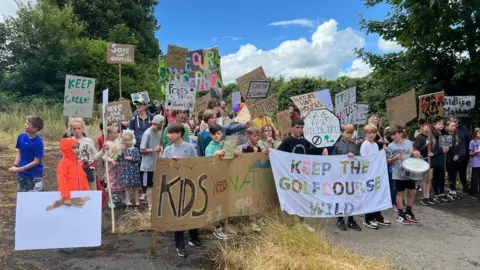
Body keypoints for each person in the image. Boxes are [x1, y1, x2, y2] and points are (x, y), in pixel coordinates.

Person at [162, 124, 202, 257]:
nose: (167, 135)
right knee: (178, 214)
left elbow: (196, 163)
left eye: (170, 133)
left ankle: (194, 238)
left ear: (178, 134)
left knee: (191, 211)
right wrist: (171, 163)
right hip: (175, 185)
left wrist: (183, 163)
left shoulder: (189, 147)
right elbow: (163, 166)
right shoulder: (168, 149)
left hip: (189, 184)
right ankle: (180, 245)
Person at [276, 118, 317, 232]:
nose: (300, 130)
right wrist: (269, 151)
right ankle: (290, 223)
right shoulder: (287, 141)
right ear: (292, 128)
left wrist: (322, 151)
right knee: (291, 199)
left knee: (302, 199)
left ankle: (301, 221)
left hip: (302, 176)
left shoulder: (304, 141)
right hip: (290, 176)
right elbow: (278, 154)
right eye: (297, 127)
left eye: (302, 128)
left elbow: (309, 155)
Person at [56, 137, 91, 254]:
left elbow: (83, 179)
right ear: (66, 149)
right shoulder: (63, 164)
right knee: (67, 221)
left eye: (77, 147)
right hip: (69, 199)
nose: (76, 150)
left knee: (80, 220)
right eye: (73, 148)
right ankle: (65, 243)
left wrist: (87, 193)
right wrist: (66, 197)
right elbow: (62, 182)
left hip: (79, 197)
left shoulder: (77, 163)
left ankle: (83, 241)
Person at [387, 125, 421, 225]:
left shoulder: (408, 143)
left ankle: (408, 211)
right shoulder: (391, 146)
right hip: (398, 172)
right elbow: (387, 161)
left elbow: (412, 154)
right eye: (391, 135)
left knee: (412, 192)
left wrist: (416, 154)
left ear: (401, 133)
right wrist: (395, 158)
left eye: (394, 134)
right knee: (400, 193)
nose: (392, 136)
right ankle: (400, 214)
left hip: (409, 172)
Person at [360, 124, 391, 229]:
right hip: (369, 174)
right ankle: (368, 218)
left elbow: (377, 158)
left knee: (377, 194)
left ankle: (377, 216)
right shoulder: (365, 145)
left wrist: (383, 152)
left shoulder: (374, 144)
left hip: (376, 173)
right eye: (369, 133)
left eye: (373, 133)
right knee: (370, 196)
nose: (371, 135)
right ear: (365, 134)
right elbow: (366, 160)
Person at [332, 124, 362, 231]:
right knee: (340, 197)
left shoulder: (355, 146)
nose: (349, 135)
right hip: (340, 176)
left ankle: (351, 219)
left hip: (351, 176)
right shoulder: (337, 145)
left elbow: (360, 160)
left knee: (351, 197)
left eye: (351, 133)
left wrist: (354, 157)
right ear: (342, 133)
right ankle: (340, 219)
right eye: (347, 132)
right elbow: (332, 161)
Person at [9, 116, 45, 192]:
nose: (25, 124)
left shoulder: (38, 143)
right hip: (22, 174)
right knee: (23, 198)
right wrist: (15, 165)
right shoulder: (21, 137)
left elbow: (36, 161)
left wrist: (19, 169)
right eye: (26, 123)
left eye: (28, 124)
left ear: (35, 129)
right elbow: (19, 152)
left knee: (35, 200)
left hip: (34, 175)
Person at [140, 114, 165, 212]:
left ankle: (155, 203)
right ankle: (150, 206)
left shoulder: (159, 132)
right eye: (159, 126)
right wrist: (154, 149)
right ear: (156, 124)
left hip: (156, 163)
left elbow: (160, 145)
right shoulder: (147, 133)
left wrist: (160, 150)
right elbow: (142, 149)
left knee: (156, 184)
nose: (160, 128)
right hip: (147, 165)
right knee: (149, 185)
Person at [414, 124, 436, 206]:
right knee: (425, 179)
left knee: (429, 178)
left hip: (430, 159)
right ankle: (423, 197)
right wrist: (425, 145)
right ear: (422, 127)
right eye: (426, 126)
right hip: (424, 159)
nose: (428, 127)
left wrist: (432, 152)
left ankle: (428, 196)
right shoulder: (420, 137)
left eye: (429, 126)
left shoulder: (431, 136)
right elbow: (417, 149)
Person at [120, 129, 141, 211]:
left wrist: (131, 158)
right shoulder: (123, 150)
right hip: (126, 171)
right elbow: (118, 159)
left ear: (133, 140)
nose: (127, 142)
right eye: (125, 140)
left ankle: (137, 203)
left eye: (129, 140)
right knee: (127, 188)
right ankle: (128, 203)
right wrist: (120, 154)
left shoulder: (135, 150)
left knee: (135, 188)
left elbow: (138, 159)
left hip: (134, 171)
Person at [103, 125, 124, 208]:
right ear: (108, 134)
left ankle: (120, 197)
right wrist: (110, 160)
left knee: (119, 181)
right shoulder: (107, 144)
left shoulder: (118, 141)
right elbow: (104, 156)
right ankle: (110, 200)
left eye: (116, 133)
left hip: (118, 165)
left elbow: (119, 151)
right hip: (110, 167)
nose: (116, 135)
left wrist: (122, 148)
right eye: (114, 133)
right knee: (111, 183)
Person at [430, 120, 450, 203]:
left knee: (441, 177)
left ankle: (442, 193)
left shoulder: (443, 133)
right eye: (439, 124)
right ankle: (436, 194)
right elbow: (432, 149)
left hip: (441, 158)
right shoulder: (431, 135)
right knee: (435, 177)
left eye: (442, 124)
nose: (441, 125)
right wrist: (438, 151)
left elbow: (445, 148)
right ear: (434, 125)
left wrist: (445, 149)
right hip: (434, 159)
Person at [445, 120, 466, 200]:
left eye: (454, 126)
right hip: (448, 159)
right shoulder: (445, 136)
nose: (454, 127)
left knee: (454, 175)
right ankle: (451, 190)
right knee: (450, 175)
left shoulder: (458, 135)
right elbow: (445, 148)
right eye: (452, 126)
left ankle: (454, 190)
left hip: (456, 159)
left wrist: (458, 155)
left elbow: (462, 147)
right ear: (447, 127)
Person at [469, 128, 480, 199]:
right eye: (479, 133)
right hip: (476, 163)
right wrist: (476, 152)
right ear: (475, 133)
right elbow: (470, 153)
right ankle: (473, 192)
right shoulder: (472, 142)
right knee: (475, 179)